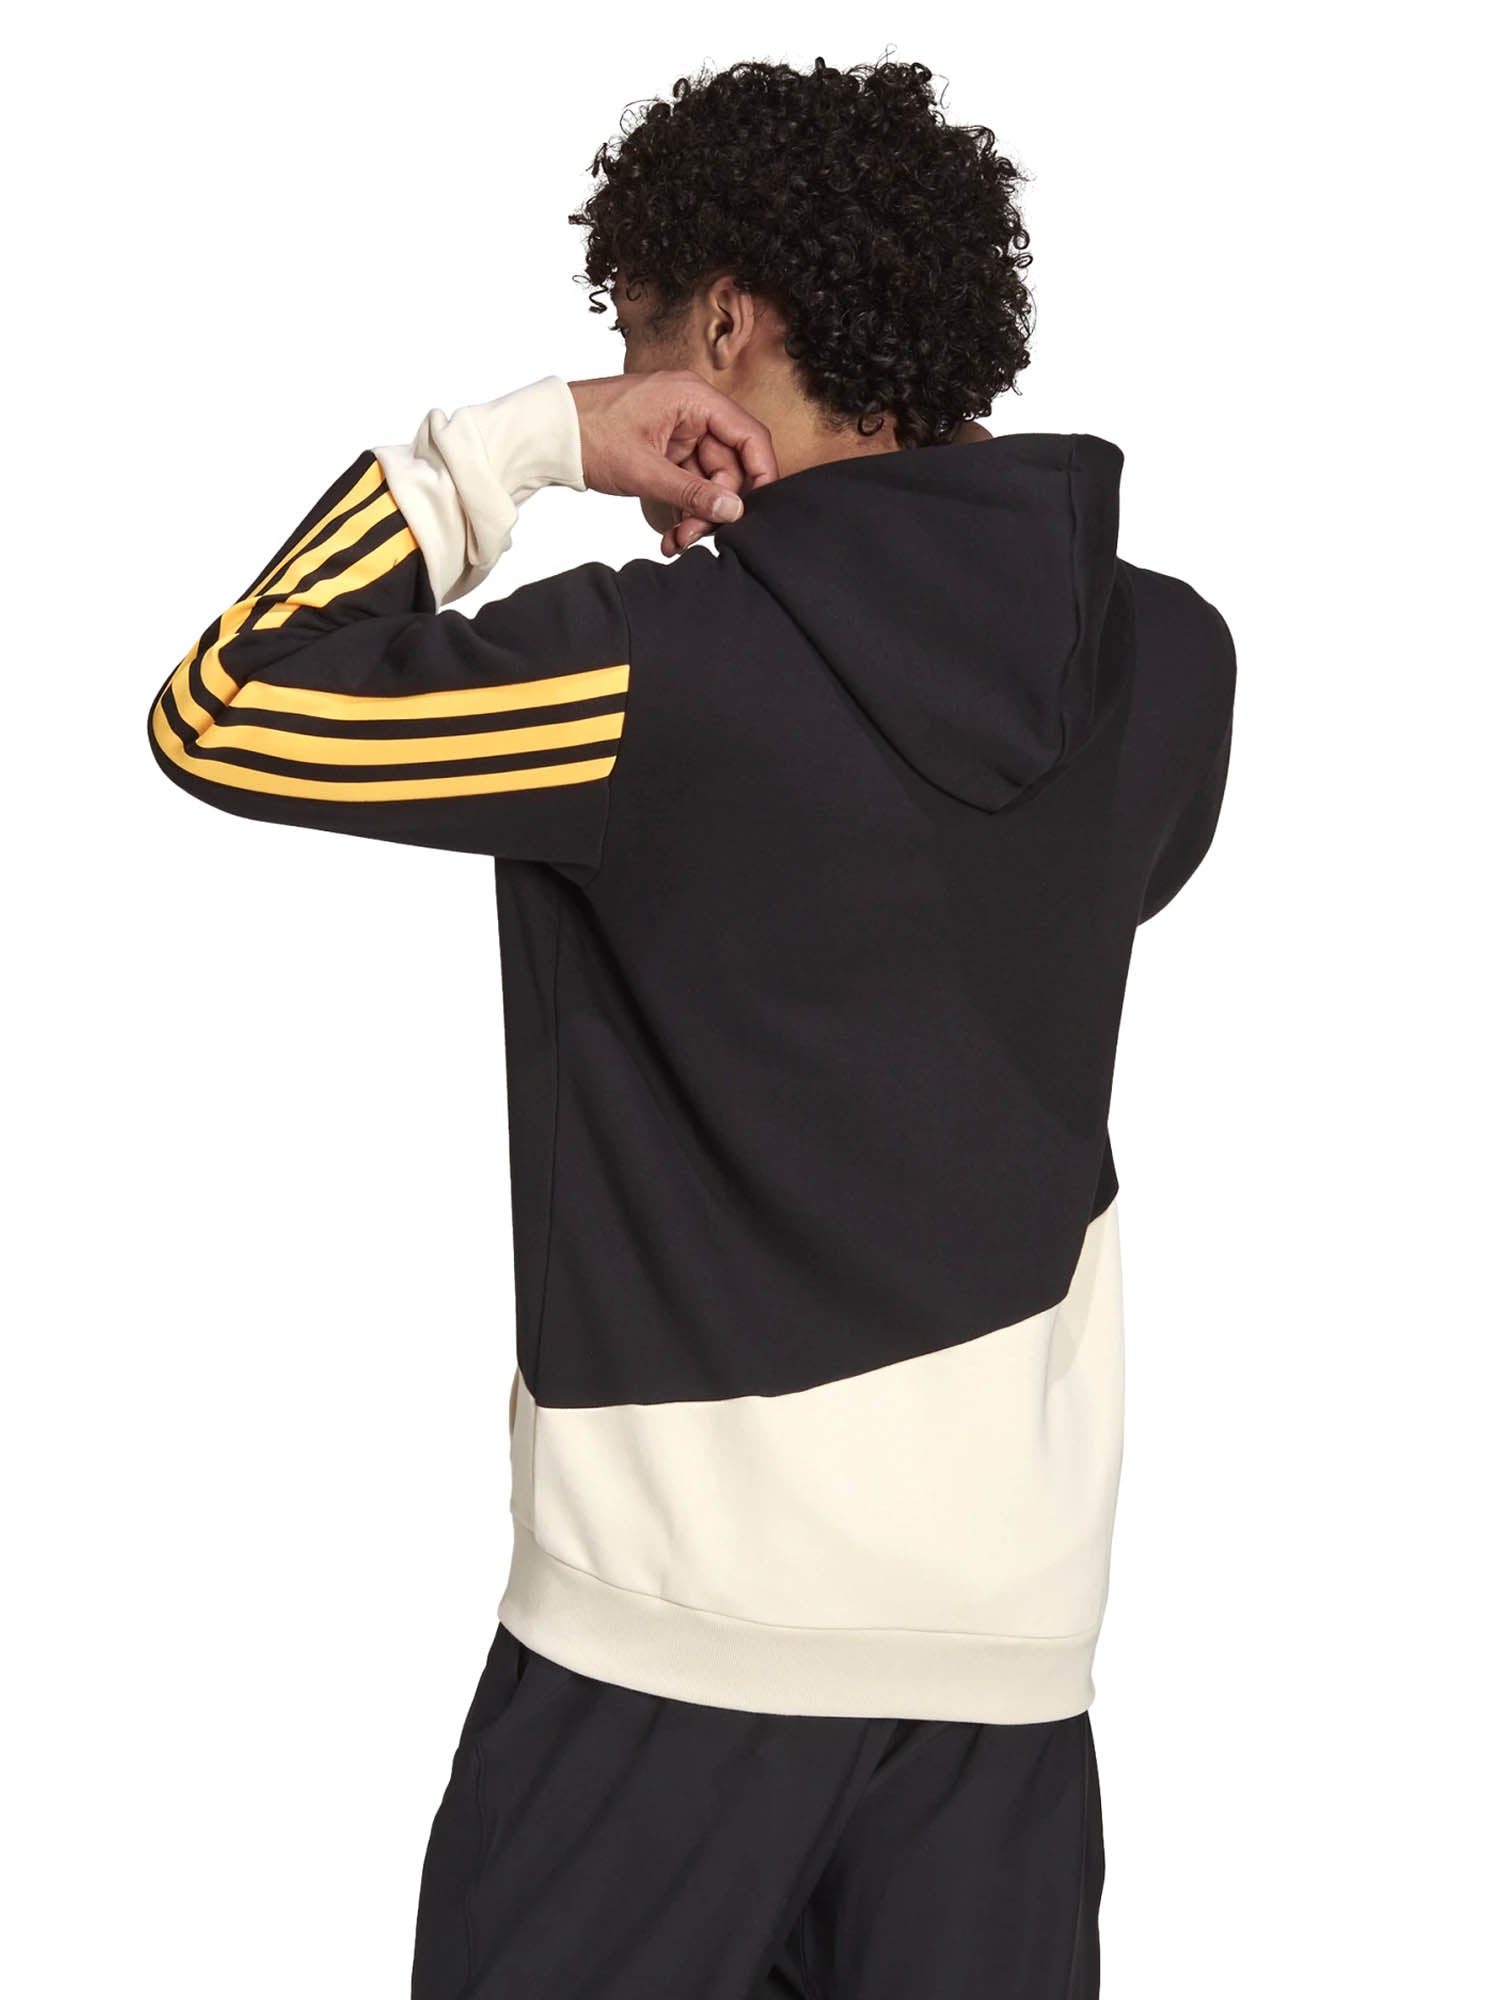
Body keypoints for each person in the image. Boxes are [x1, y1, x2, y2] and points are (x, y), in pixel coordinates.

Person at [147, 54, 1235, 2000]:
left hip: (671, 1658)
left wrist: (531, 442)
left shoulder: (651, 682)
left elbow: (228, 710)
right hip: (1007, 1682)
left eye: (643, 339)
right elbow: (1042, 919)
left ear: (724, 327)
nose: (643, 404)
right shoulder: (1167, 663)